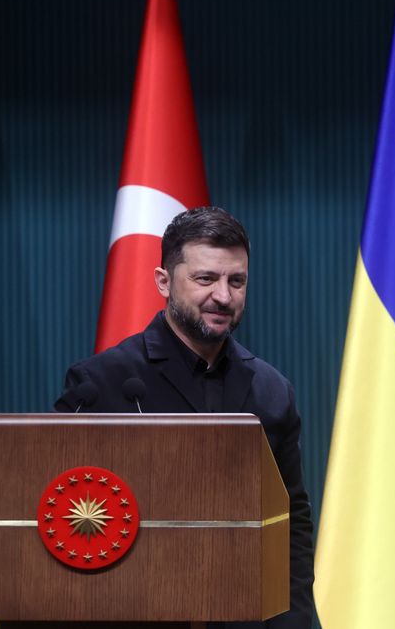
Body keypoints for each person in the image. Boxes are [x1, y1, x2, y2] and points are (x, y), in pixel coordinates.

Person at [56, 206, 316, 629]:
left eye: (237, 281)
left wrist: (295, 621)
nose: (224, 296)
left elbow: (291, 520)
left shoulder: (271, 390)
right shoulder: (100, 382)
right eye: (205, 279)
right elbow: (63, 510)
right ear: (164, 281)